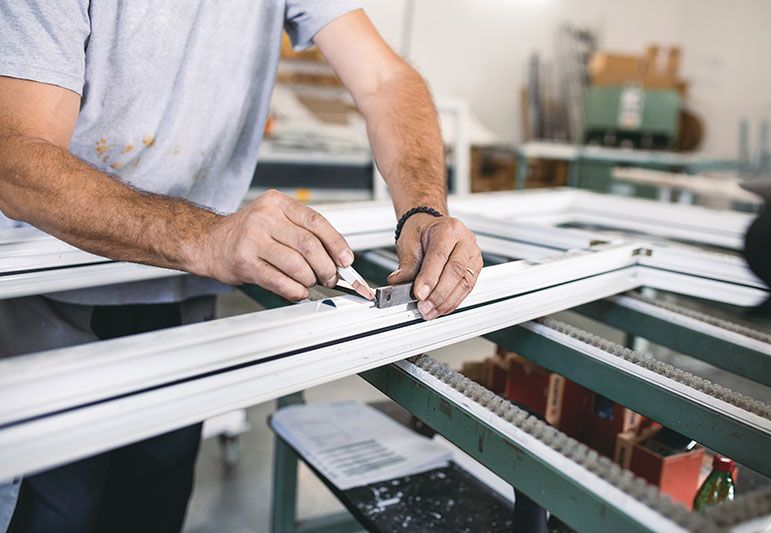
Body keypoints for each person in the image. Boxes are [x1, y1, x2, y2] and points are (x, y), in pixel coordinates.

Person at [0, 2, 483, 532]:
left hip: (181, 297)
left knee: (151, 503)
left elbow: (386, 79)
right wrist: (205, 235)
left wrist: (423, 208)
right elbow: (17, 157)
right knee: (53, 508)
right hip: (45, 291)